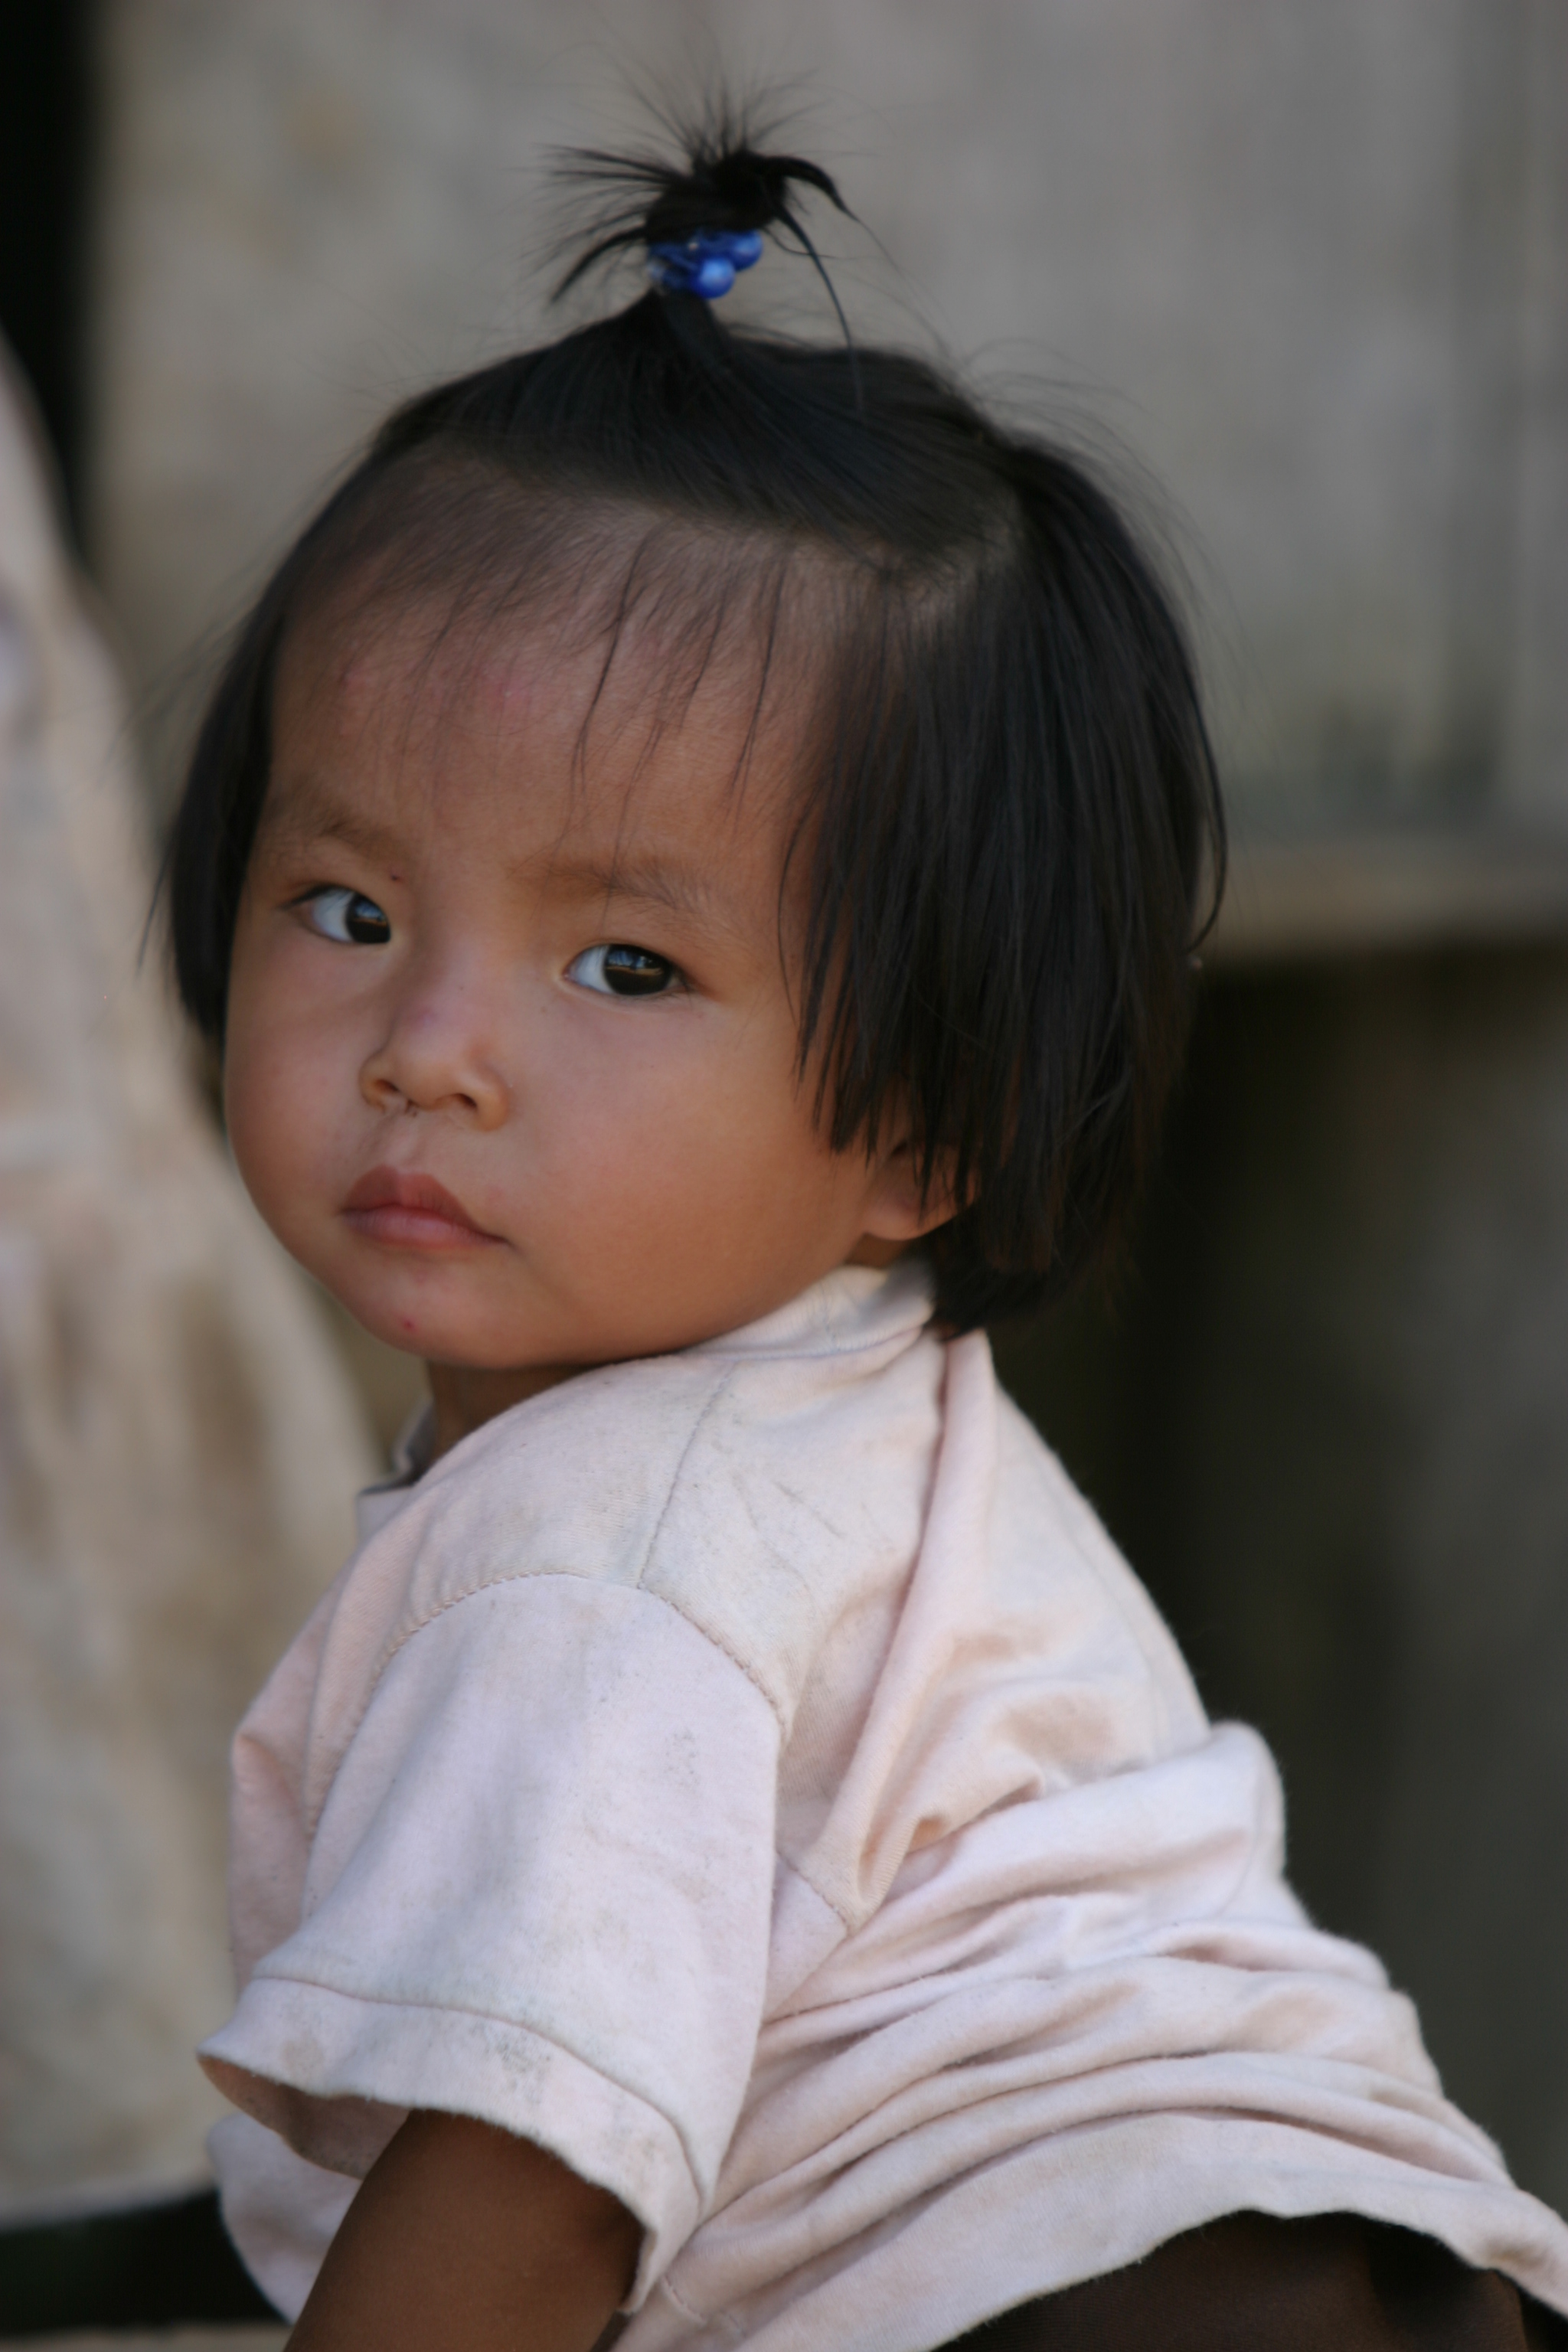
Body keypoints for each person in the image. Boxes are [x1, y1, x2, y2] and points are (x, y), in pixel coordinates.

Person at [166, 123, 1568, 2350]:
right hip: (1335, 2258)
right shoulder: (851, 1399)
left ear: (923, 1128)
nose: (428, 1048)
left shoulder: (607, 1556)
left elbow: (523, 2177)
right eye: (349, 907)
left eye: (624, 967)